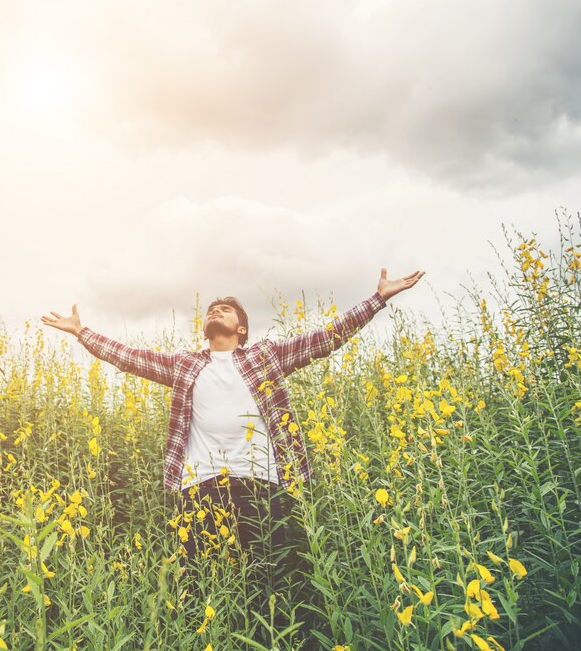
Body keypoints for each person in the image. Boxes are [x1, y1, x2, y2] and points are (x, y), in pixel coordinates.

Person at [41, 268, 424, 641]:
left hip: (260, 484)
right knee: (194, 580)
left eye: (224, 310)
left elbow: (326, 338)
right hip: (199, 485)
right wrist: (83, 333)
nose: (215, 312)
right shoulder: (185, 365)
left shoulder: (265, 357)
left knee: (270, 579)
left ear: (241, 329)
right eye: (211, 309)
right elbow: (128, 356)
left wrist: (377, 299)